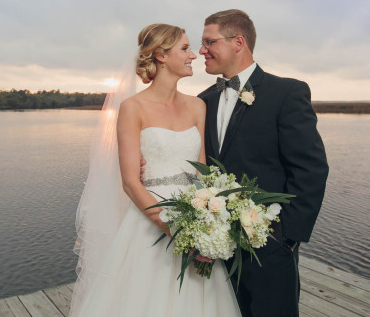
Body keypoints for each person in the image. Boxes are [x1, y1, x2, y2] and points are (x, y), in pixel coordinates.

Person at [69, 23, 241, 317]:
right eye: (185, 49)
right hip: (150, 227)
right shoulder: (133, 108)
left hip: (196, 215)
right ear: (161, 55)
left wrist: (207, 225)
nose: (193, 56)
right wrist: (176, 230)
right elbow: (130, 183)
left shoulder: (198, 106)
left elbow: (203, 174)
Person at [198, 9, 329, 317]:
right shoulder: (203, 100)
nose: (201, 50)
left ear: (238, 42)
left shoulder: (286, 93)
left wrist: (288, 238)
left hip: (270, 247)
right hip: (218, 247)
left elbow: (310, 169)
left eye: (208, 42)